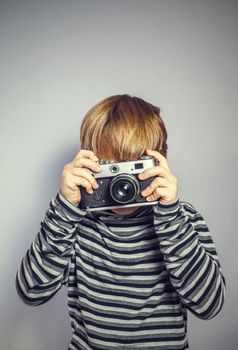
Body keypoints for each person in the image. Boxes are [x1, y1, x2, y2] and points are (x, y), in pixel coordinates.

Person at [16, 94, 226, 350]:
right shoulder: (74, 221)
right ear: (88, 163)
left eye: (133, 166)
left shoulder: (181, 220)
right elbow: (31, 292)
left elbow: (210, 305)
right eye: (108, 165)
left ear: (159, 163)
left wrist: (170, 216)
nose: (122, 182)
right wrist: (65, 207)